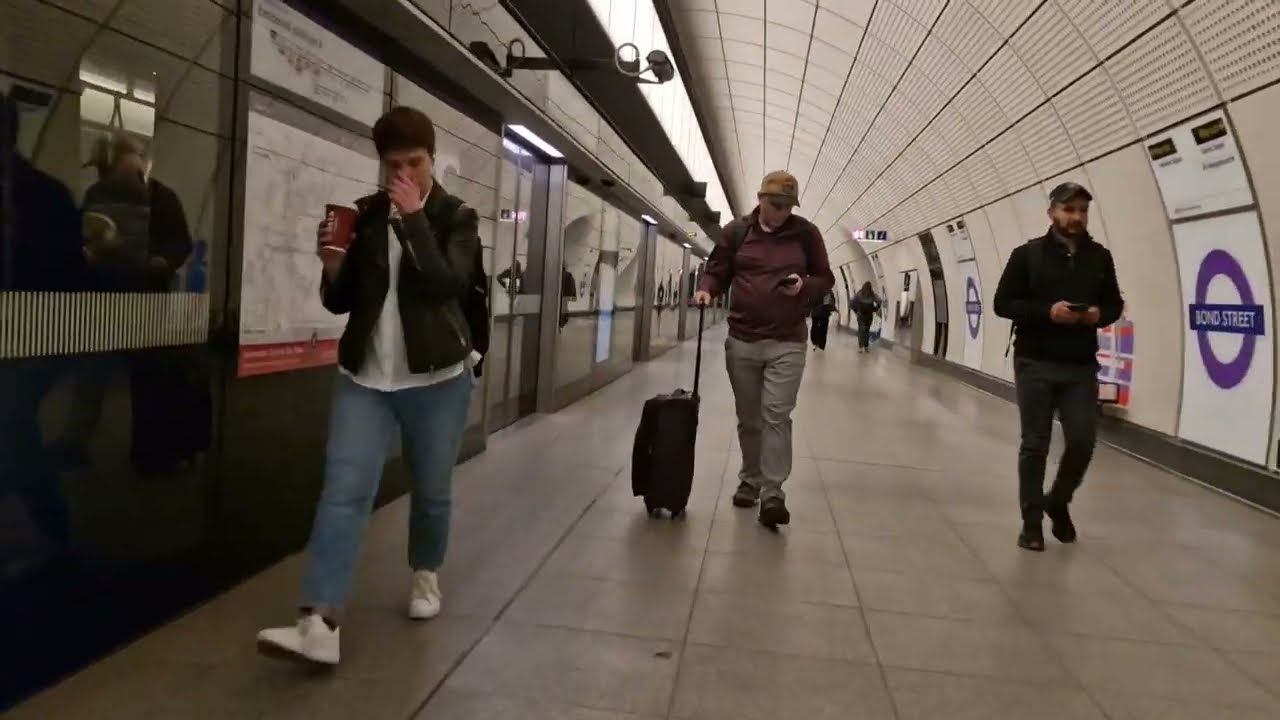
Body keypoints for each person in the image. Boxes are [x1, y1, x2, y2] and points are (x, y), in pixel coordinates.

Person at [258, 106, 481, 665]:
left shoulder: (457, 216)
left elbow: (445, 284)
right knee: (343, 491)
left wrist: (413, 221)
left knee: (431, 490)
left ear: (433, 159)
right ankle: (319, 621)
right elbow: (341, 301)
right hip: (366, 378)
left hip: (438, 382)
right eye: (394, 166)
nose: (406, 175)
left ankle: (425, 574)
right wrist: (332, 267)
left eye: (416, 163)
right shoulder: (364, 215)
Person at [694, 170, 834, 529]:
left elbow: (825, 278)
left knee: (776, 414)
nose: (782, 211)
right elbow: (718, 269)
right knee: (750, 417)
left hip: (787, 341)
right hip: (742, 339)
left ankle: (773, 492)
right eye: (775, 204)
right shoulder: (737, 232)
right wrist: (707, 288)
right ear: (760, 199)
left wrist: (803, 285)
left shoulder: (806, 234)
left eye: (788, 206)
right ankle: (750, 479)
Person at [993, 182, 1123, 552]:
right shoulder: (1027, 256)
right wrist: (1047, 312)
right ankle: (1031, 522)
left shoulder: (1099, 258)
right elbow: (1003, 303)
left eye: (1082, 210)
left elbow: (1114, 304)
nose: (1076, 217)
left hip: (1079, 366)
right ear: (1052, 212)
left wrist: (1098, 316)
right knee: (1035, 443)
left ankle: (1058, 500)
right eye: (1069, 210)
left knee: (1083, 440)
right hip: (1034, 360)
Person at [851, 282, 881, 353]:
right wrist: (875, 309)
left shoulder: (859, 294)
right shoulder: (872, 294)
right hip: (869, 315)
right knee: (867, 331)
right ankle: (866, 346)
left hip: (861, 315)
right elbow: (879, 301)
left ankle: (860, 347)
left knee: (861, 331)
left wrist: (856, 311)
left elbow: (852, 303)